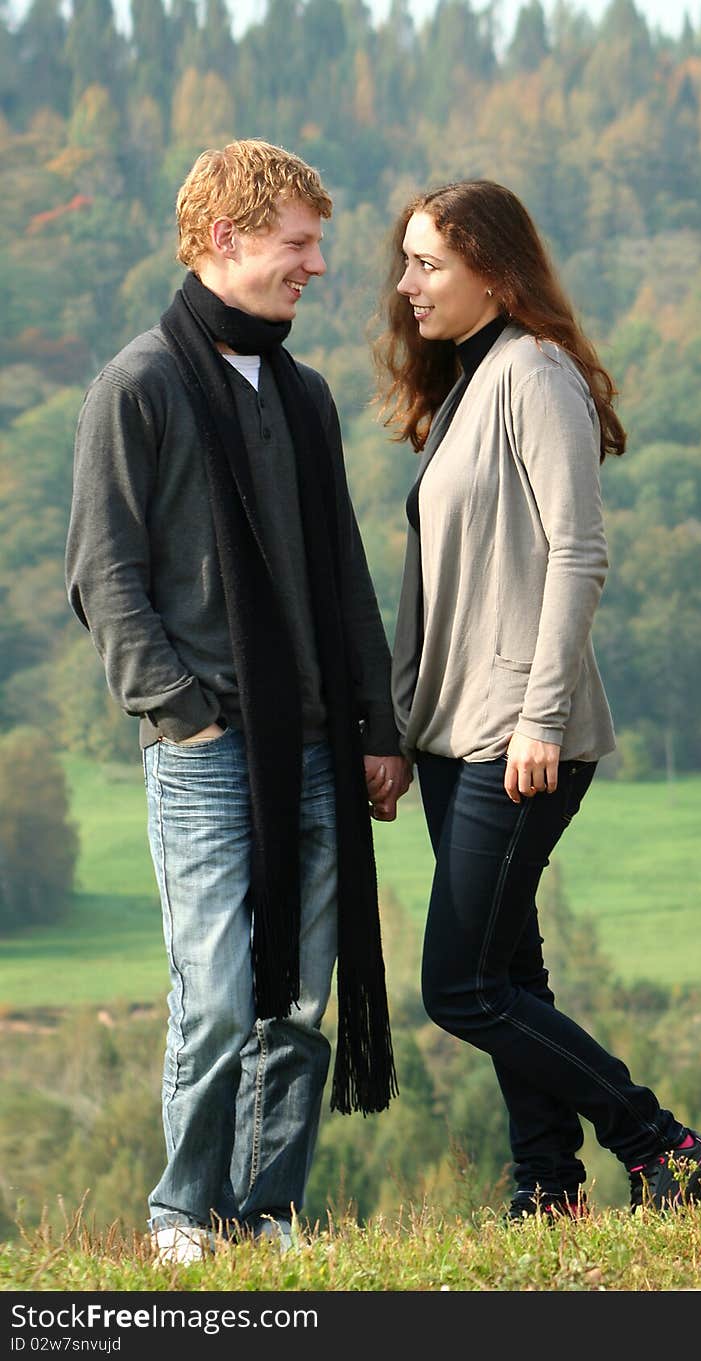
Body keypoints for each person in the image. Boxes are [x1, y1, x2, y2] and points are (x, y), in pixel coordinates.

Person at [65, 139, 410, 1262]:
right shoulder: (141, 385)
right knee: (215, 996)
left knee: (297, 1002)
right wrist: (182, 709)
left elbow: (343, 574)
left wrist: (376, 727)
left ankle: (264, 1211)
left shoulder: (305, 396)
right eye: (299, 244)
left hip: (315, 745)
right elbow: (102, 574)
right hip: (209, 748)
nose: (316, 266)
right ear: (226, 239)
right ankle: (181, 1215)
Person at [374, 179, 701, 1218]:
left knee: (461, 989)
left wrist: (537, 714)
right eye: (407, 261)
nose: (407, 284)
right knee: (508, 976)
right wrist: (401, 728)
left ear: (493, 265)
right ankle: (547, 1185)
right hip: (454, 733)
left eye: (428, 263)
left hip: (517, 735)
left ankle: (661, 1140)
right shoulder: (465, 382)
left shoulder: (534, 374)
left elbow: (579, 551)